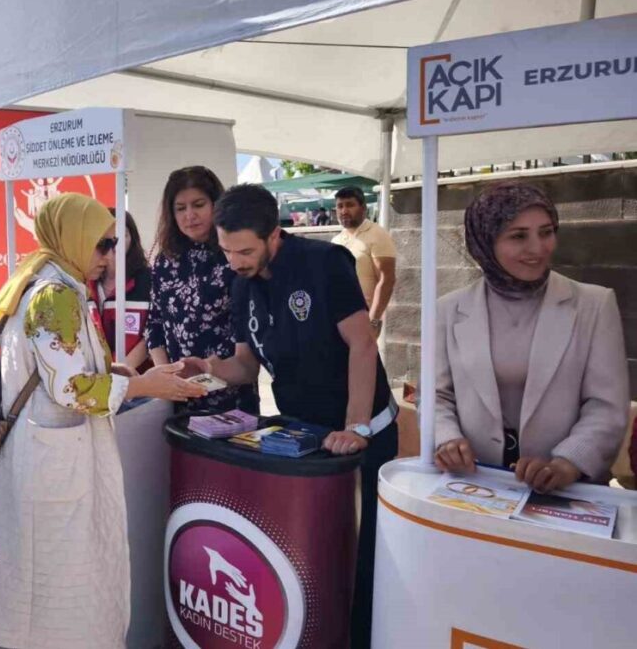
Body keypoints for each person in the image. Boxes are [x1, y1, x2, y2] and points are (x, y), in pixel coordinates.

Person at [0, 193, 206, 649]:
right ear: (73, 238)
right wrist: (144, 386)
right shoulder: (55, 295)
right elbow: (71, 388)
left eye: (113, 243)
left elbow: (58, 368)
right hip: (54, 460)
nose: (109, 255)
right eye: (102, 244)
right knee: (63, 584)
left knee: (52, 582)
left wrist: (121, 373)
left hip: (47, 453)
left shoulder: (47, 281)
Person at [191, 184, 398, 649]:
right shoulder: (242, 284)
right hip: (304, 440)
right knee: (313, 554)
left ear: (274, 235)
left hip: (361, 432)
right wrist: (205, 368)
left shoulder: (324, 263)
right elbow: (246, 366)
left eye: (245, 251)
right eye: (226, 251)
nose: (234, 261)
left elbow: (362, 345)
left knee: (364, 557)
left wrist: (356, 427)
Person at [433, 182, 629, 491]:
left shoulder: (594, 304)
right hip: (475, 485)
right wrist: (447, 439)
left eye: (546, 232)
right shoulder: (448, 309)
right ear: (485, 241)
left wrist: (567, 463)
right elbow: (435, 395)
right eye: (518, 236)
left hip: (566, 490)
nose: (537, 248)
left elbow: (606, 405)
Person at [145, 166, 258, 413]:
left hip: (231, 394)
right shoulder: (165, 260)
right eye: (180, 208)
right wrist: (166, 378)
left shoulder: (233, 257)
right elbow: (154, 325)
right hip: (178, 396)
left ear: (216, 204)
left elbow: (248, 333)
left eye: (198, 205)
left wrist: (211, 372)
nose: (190, 215)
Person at [88, 209, 153, 372]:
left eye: (122, 235)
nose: (115, 242)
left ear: (132, 238)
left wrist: (119, 372)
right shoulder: (85, 281)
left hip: (138, 378)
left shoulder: (148, 280)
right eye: (106, 236)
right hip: (94, 377)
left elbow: (152, 334)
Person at [331, 186, 397, 338]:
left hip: (363, 320)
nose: (344, 211)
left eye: (350, 205)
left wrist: (373, 321)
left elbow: (386, 279)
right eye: (340, 206)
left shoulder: (377, 234)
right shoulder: (336, 240)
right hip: (338, 321)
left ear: (363, 208)